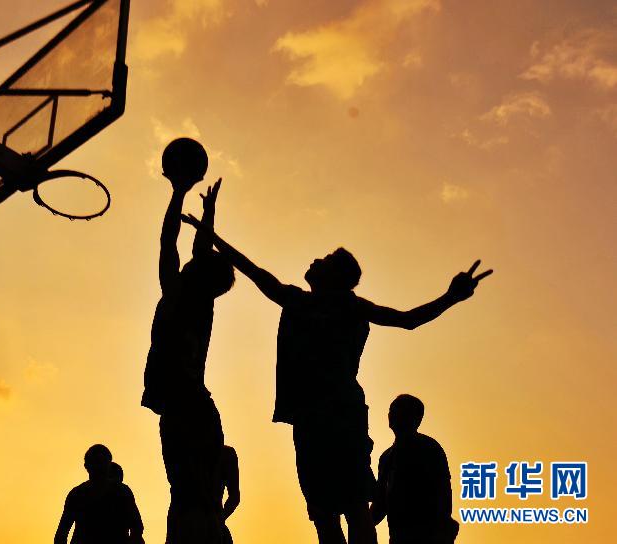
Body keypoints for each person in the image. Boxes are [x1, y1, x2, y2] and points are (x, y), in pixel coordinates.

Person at [181, 214, 490, 544]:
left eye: (324, 260)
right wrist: (213, 237)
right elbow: (256, 273)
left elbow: (408, 320)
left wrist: (451, 297)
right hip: (317, 418)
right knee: (330, 511)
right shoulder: (304, 301)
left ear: (335, 278)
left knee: (347, 508)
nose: (315, 260)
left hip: (336, 417)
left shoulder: (338, 305)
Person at [142, 141, 236, 544]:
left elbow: (169, 243)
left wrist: (178, 193)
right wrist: (209, 214)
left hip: (186, 408)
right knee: (198, 498)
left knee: (187, 498)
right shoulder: (201, 301)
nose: (196, 256)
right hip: (195, 405)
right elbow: (198, 249)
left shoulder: (179, 295)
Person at [371, 395, 458, 544]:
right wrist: (360, 522)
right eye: (392, 410)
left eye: (401, 411)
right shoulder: (386, 458)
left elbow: (443, 493)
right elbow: (380, 503)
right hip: (399, 536)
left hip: (428, 535)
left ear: (417, 419)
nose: (393, 415)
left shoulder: (430, 449)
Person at [55, 444, 144, 544]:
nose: (99, 467)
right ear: (87, 466)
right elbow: (62, 533)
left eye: (101, 462)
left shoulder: (122, 491)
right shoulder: (76, 494)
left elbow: (137, 529)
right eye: (96, 462)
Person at [219, 445, 240, 544]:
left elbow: (234, 497)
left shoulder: (226, 454)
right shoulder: (227, 454)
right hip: (214, 520)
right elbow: (234, 497)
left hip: (182, 520)